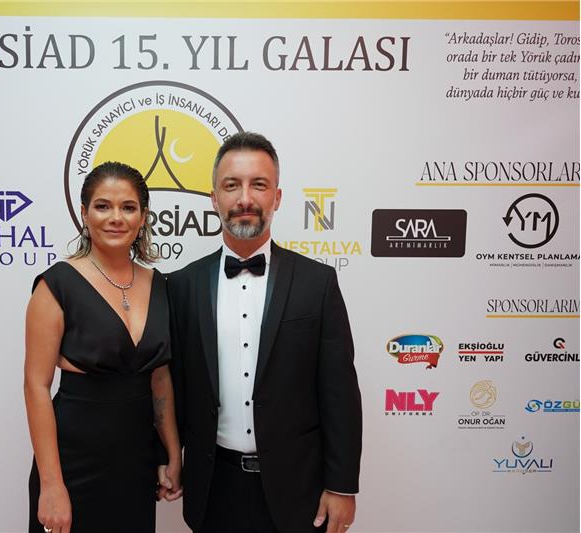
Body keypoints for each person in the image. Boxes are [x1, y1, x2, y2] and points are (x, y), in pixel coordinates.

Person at [167, 132, 362, 533]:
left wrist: (342, 485)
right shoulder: (181, 286)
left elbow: (340, 393)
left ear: (277, 197)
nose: (245, 198)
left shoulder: (317, 283)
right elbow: (171, 387)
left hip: (299, 491)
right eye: (231, 185)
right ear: (214, 198)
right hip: (212, 489)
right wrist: (165, 457)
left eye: (258, 184)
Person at [24, 161, 182, 533]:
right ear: (84, 213)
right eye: (102, 206)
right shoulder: (56, 284)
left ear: (143, 217)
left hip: (136, 462)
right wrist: (51, 485)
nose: (115, 218)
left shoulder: (159, 285)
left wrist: (171, 452)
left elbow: (160, 379)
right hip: (74, 464)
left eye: (128, 207)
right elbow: (36, 387)